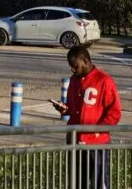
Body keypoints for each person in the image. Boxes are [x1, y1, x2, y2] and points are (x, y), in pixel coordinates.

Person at [52, 45, 121, 189]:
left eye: (75, 66)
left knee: (99, 182)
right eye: (71, 67)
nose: (73, 70)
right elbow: (73, 107)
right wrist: (64, 109)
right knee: (76, 182)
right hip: (75, 141)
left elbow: (114, 112)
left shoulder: (104, 81)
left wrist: (97, 130)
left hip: (96, 143)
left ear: (85, 61)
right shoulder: (73, 80)